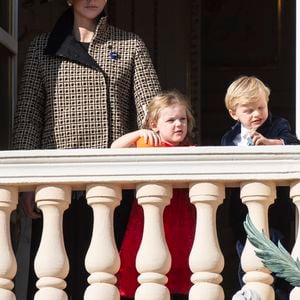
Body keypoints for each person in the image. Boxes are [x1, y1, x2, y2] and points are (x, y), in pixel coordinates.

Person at [12, 0, 160, 299]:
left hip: (113, 178)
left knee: (109, 276)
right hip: (56, 179)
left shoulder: (130, 44)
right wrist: (25, 182)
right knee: (57, 277)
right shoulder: (43, 47)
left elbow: (153, 111)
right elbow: (29, 116)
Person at [111, 90, 196, 300]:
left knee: (180, 265)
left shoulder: (191, 150)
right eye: (171, 120)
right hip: (150, 219)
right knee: (146, 266)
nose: (178, 125)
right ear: (154, 124)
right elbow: (114, 149)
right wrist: (137, 134)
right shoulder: (148, 145)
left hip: (180, 219)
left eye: (182, 119)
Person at [221, 75, 300, 300]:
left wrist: (271, 143)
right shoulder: (230, 137)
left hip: (275, 209)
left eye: (261, 107)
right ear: (234, 113)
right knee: (246, 254)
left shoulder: (278, 125)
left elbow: (293, 143)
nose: (257, 114)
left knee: (278, 253)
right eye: (248, 110)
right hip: (242, 210)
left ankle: (281, 294)